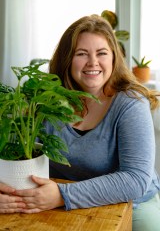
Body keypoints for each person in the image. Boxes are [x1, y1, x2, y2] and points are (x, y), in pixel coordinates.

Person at [0, 14, 160, 230]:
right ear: (67, 59)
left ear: (113, 58)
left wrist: (61, 195)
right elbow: (18, 155)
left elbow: (135, 180)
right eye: (82, 54)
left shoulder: (131, 103)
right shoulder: (45, 100)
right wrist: (7, 188)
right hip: (52, 200)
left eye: (101, 53)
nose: (93, 62)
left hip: (131, 202)